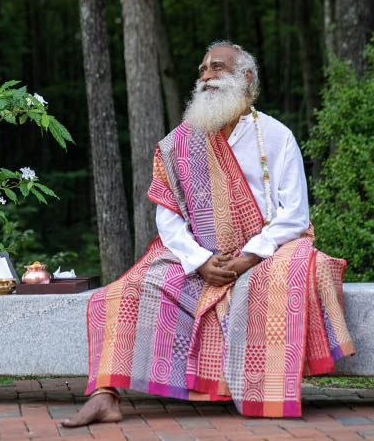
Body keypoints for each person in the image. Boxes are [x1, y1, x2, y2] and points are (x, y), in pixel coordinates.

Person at [63, 41, 354, 426]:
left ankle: (259, 389)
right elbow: (167, 218)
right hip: (200, 257)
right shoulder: (180, 142)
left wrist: (249, 256)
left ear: (246, 78)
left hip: (263, 253)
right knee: (122, 292)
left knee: (285, 276)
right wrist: (200, 262)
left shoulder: (276, 136)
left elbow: (295, 214)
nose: (206, 77)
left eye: (217, 67)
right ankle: (104, 394)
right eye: (202, 70)